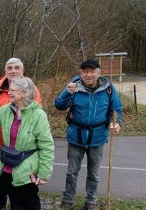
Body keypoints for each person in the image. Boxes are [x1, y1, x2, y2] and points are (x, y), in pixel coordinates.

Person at [0, 76, 54, 210]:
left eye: (13, 90)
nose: (9, 92)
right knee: (14, 203)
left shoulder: (38, 115)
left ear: (25, 92)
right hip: (7, 167)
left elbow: (46, 146)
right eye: (9, 89)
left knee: (30, 204)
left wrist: (43, 173)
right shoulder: (6, 109)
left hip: (26, 170)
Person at [55, 59, 122, 210]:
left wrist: (116, 124)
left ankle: (91, 202)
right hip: (76, 135)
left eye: (92, 71)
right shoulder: (73, 86)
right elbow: (59, 105)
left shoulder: (108, 89)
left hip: (97, 136)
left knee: (94, 173)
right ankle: (67, 200)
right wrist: (67, 92)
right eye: (85, 71)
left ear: (99, 73)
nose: (89, 74)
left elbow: (116, 110)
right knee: (72, 172)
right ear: (81, 73)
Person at [0, 57, 42, 209]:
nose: (13, 71)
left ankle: (15, 204)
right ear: (5, 71)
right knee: (0, 181)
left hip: (22, 148)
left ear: (22, 71)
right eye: (10, 68)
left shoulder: (31, 89)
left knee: (19, 183)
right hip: (0, 143)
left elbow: (36, 118)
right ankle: (0, 205)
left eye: (16, 68)